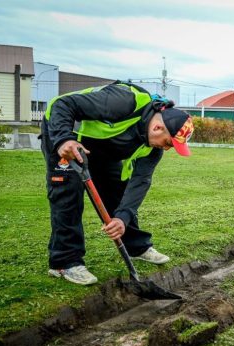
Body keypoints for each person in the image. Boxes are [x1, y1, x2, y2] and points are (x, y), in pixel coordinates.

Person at [41, 81, 194, 285]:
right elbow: (62, 104)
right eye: (168, 143)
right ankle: (64, 262)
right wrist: (62, 139)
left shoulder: (153, 148)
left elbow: (140, 182)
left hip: (102, 148)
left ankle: (135, 246)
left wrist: (122, 218)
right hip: (66, 134)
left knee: (117, 191)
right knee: (68, 194)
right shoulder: (123, 102)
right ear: (157, 127)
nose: (166, 149)